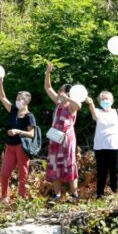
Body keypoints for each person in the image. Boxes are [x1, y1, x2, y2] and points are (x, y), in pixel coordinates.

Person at [43, 63, 81, 201]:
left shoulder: (71, 105)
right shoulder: (58, 103)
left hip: (67, 139)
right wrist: (48, 73)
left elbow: (78, 105)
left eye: (61, 90)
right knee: (54, 164)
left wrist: (69, 98)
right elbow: (47, 87)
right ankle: (57, 194)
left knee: (69, 163)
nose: (58, 92)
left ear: (68, 93)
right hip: (55, 137)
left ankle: (74, 195)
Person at [0, 76, 36, 203]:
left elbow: (31, 134)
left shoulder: (29, 116)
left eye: (20, 99)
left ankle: (21, 199)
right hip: (9, 146)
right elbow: (2, 98)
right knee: (4, 172)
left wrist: (18, 131)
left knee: (22, 174)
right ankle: (4, 197)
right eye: (17, 99)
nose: (17, 101)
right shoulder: (13, 110)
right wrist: (0, 83)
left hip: (21, 147)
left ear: (26, 102)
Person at [84, 91, 118, 197]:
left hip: (117, 146)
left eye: (107, 99)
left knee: (115, 171)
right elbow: (94, 114)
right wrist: (91, 104)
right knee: (101, 172)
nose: (105, 101)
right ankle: (100, 195)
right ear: (99, 101)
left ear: (112, 101)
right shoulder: (98, 111)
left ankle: (115, 195)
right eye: (102, 99)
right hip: (101, 147)